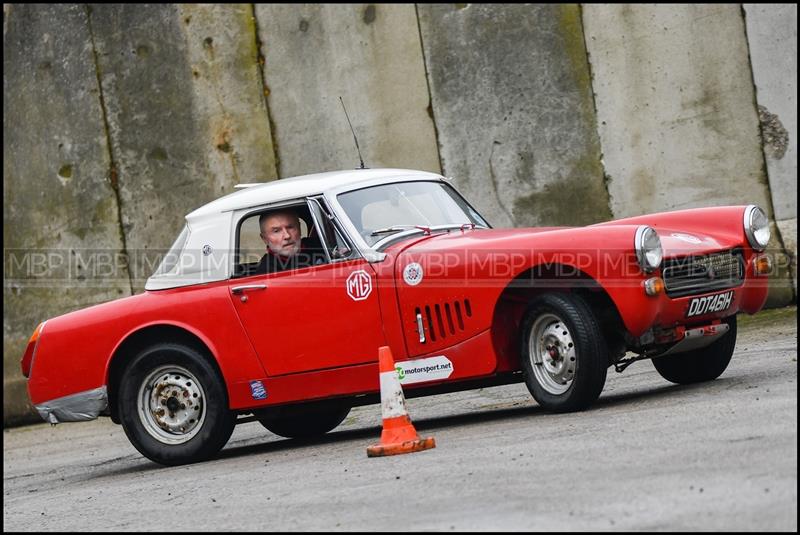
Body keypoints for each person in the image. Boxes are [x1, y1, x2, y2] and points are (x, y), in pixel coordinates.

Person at [255, 210, 325, 274]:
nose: (287, 236)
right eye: (276, 231)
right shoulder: (266, 271)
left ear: (299, 228)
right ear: (265, 239)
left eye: (290, 227)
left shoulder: (322, 244)